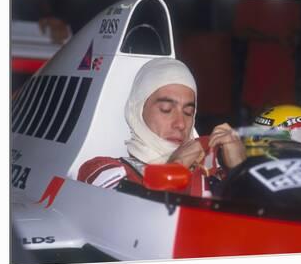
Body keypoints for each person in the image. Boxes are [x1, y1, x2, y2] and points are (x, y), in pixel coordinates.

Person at [77, 58, 246, 194]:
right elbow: (128, 224)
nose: (180, 124)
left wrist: (240, 170)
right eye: (166, 110)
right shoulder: (103, 170)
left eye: (188, 113)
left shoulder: (214, 169)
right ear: (137, 110)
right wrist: (175, 167)